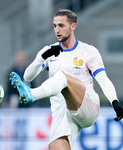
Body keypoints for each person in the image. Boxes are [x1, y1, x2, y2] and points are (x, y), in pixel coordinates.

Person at [9, 9, 123, 150]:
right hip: (62, 114)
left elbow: (103, 79)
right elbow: (27, 77)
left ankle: (32, 94)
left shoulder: (88, 51)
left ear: (73, 26)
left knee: (62, 77)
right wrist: (42, 57)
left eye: (61, 26)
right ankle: (31, 93)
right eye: (55, 26)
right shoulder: (49, 51)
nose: (57, 30)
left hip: (87, 105)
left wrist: (115, 102)